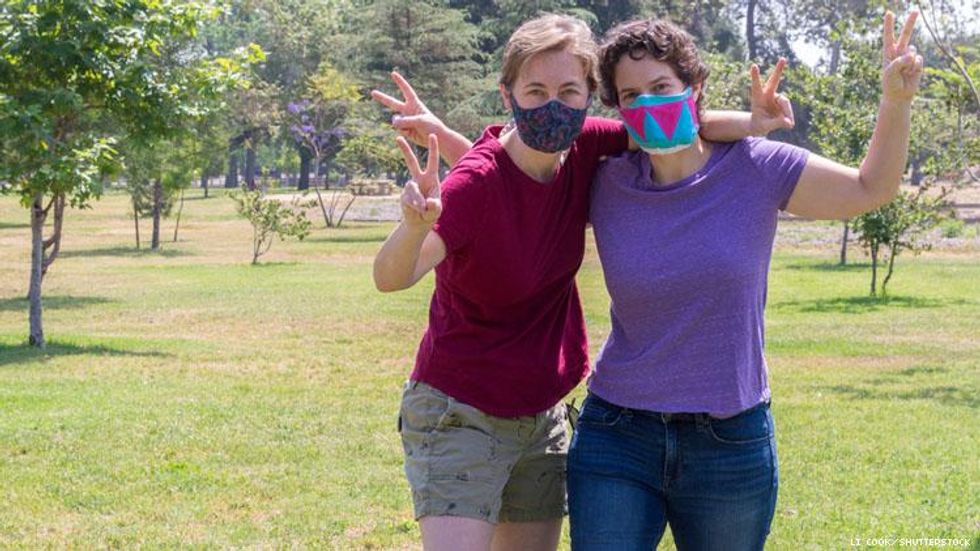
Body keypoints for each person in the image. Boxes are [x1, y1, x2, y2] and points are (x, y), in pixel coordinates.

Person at [370, 13, 790, 551]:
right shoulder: (472, 183)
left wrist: (754, 124)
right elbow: (392, 276)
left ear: (591, 97)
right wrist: (411, 228)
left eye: (569, 90)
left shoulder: (588, 148)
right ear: (509, 96)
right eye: (536, 90)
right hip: (462, 410)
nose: (553, 105)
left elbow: (674, 123)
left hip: (540, 416)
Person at [567, 12, 923, 550]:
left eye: (661, 87)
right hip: (617, 433)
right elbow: (520, 173)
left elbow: (870, 188)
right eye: (630, 95)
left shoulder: (757, 167)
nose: (647, 105)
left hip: (729, 440)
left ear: (694, 88)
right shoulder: (606, 180)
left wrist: (895, 102)